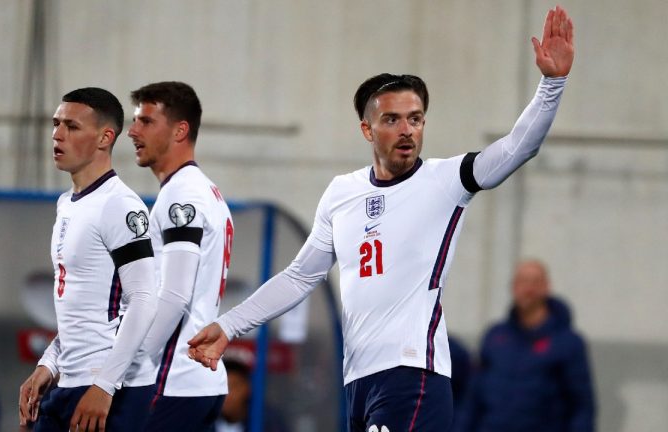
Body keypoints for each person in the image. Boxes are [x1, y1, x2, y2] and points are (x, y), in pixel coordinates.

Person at [188, 6, 575, 431]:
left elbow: (519, 147)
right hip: (358, 380)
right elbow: (300, 277)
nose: (407, 129)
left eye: (415, 119)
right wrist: (228, 324)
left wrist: (551, 84)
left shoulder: (446, 180)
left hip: (413, 374)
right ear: (367, 130)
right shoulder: (342, 192)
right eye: (392, 119)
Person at [18, 87, 159, 431]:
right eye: (56, 124)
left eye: (72, 126)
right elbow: (82, 306)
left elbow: (143, 298)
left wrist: (105, 385)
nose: (57, 134)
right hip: (70, 379)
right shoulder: (68, 203)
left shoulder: (120, 205)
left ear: (104, 137)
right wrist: (48, 364)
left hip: (113, 388)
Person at [127, 81, 234, 430]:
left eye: (145, 121)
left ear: (180, 130)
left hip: (173, 379)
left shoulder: (181, 196)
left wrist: (131, 365)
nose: (132, 132)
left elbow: (174, 295)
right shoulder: (206, 191)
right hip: (199, 380)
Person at [462, 259, 595, 431]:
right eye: (522, 282)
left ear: (547, 287)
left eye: (535, 282)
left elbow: (582, 405)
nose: (528, 289)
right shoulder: (495, 337)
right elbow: (472, 398)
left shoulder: (568, 343)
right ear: (513, 287)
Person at [215, 359, 290, 432]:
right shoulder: (205, 419)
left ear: (247, 388)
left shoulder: (267, 421)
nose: (227, 394)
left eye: (233, 387)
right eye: (222, 387)